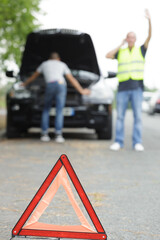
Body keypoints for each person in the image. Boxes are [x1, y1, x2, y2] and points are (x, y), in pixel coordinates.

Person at [106, 9, 151, 151]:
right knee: (120, 117)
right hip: (122, 88)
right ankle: (118, 142)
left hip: (136, 87)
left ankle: (137, 142)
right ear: (126, 39)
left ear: (135, 39)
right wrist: (120, 44)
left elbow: (150, 36)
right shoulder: (121, 52)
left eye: (132, 37)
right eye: (128, 37)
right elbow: (107, 55)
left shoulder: (141, 50)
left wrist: (149, 20)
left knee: (137, 117)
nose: (130, 39)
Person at [22, 52, 90, 143]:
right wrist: (81, 90)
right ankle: (58, 135)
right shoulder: (62, 64)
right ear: (58, 59)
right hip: (61, 84)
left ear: (49, 58)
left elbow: (34, 76)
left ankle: (44, 134)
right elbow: (71, 79)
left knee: (46, 109)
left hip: (50, 84)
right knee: (59, 110)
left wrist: (24, 84)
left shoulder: (44, 64)